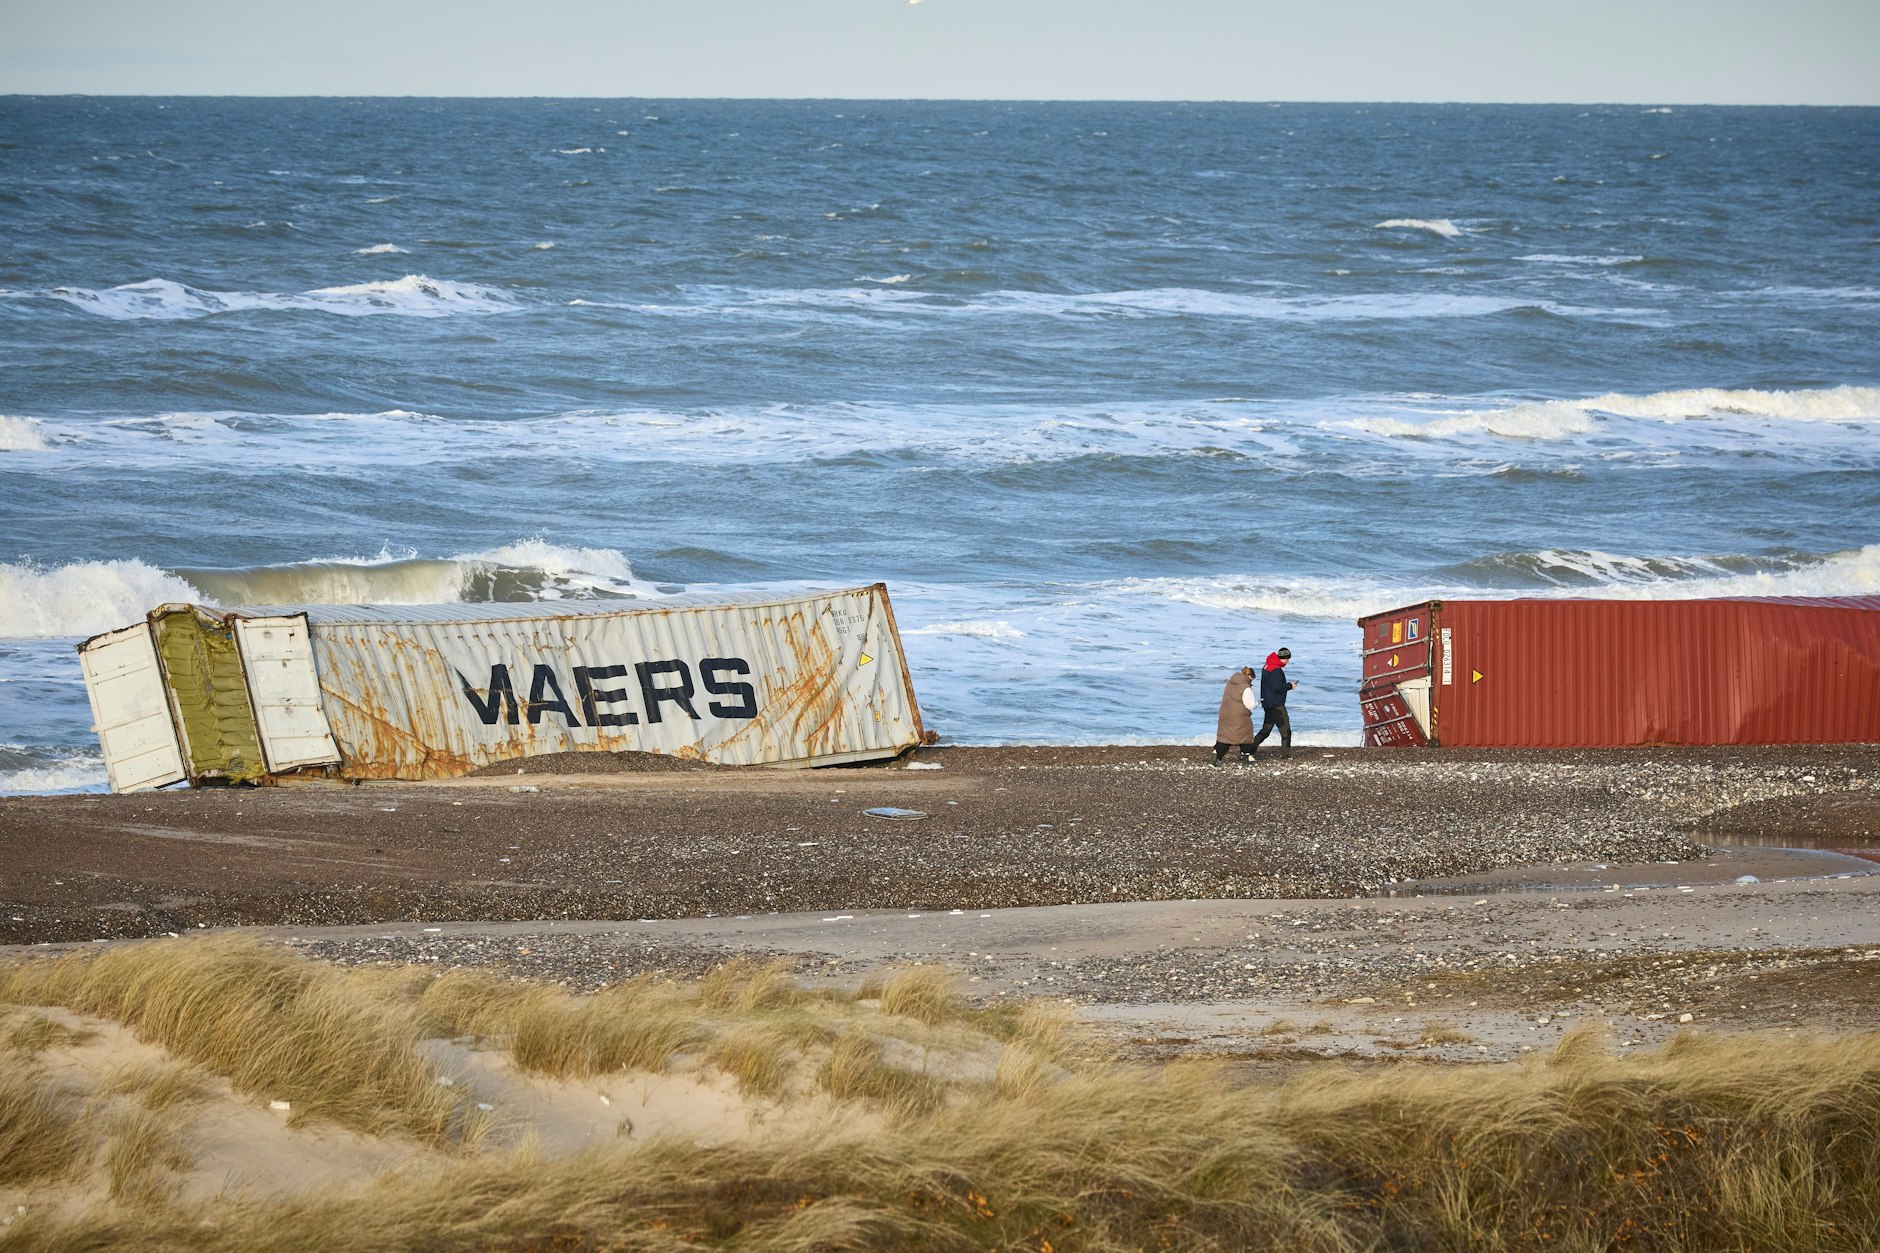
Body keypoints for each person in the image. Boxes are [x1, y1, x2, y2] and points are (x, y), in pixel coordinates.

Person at [1250, 647, 1298, 759]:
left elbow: (1270, 685)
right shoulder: (1276, 670)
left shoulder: (1267, 666)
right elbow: (1278, 687)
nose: (1288, 661)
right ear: (1283, 658)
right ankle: (1286, 755)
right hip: (1276, 705)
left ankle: (1248, 750)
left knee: (1265, 730)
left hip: (1267, 703)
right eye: (1287, 659)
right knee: (1285, 731)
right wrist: (1290, 686)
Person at [1211, 666, 1258, 765]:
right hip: (1239, 716)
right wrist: (1257, 703)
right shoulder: (1246, 687)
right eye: (1252, 679)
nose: (1252, 682)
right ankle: (1245, 758)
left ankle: (1215, 756)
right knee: (1245, 735)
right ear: (1249, 676)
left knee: (1225, 737)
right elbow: (1249, 705)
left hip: (1225, 714)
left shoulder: (1230, 682)